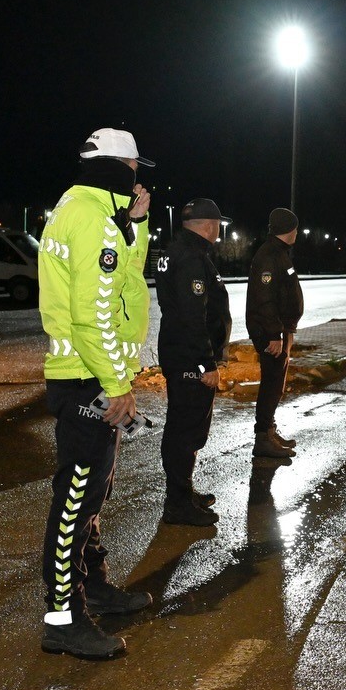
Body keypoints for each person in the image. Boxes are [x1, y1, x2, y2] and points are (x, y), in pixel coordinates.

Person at [36, 128, 155, 660]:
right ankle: (63, 618)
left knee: (92, 494)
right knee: (75, 502)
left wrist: (138, 225)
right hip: (88, 377)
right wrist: (116, 385)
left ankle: (96, 586)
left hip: (91, 374)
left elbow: (128, 279)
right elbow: (93, 314)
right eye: (134, 168)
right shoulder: (91, 218)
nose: (138, 177)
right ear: (119, 168)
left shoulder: (92, 211)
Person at [156, 198, 232, 526]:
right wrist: (206, 364)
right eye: (218, 225)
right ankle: (177, 503)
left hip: (180, 353)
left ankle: (183, 493)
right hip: (190, 359)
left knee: (183, 429)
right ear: (209, 225)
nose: (219, 230)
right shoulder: (191, 257)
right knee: (186, 432)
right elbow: (192, 316)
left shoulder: (177, 251)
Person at [247, 208, 304, 458]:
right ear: (289, 229)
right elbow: (265, 299)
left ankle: (269, 431)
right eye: (296, 228)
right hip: (272, 332)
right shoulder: (269, 255)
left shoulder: (279, 253)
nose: (297, 233)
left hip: (281, 329)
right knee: (271, 384)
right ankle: (263, 438)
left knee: (276, 384)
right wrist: (274, 334)